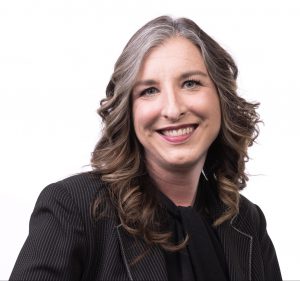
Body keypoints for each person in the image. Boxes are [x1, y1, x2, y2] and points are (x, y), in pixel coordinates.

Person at [10, 15, 282, 281]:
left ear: (221, 97)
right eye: (149, 90)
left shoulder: (247, 222)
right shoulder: (74, 207)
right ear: (128, 111)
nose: (173, 109)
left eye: (191, 83)